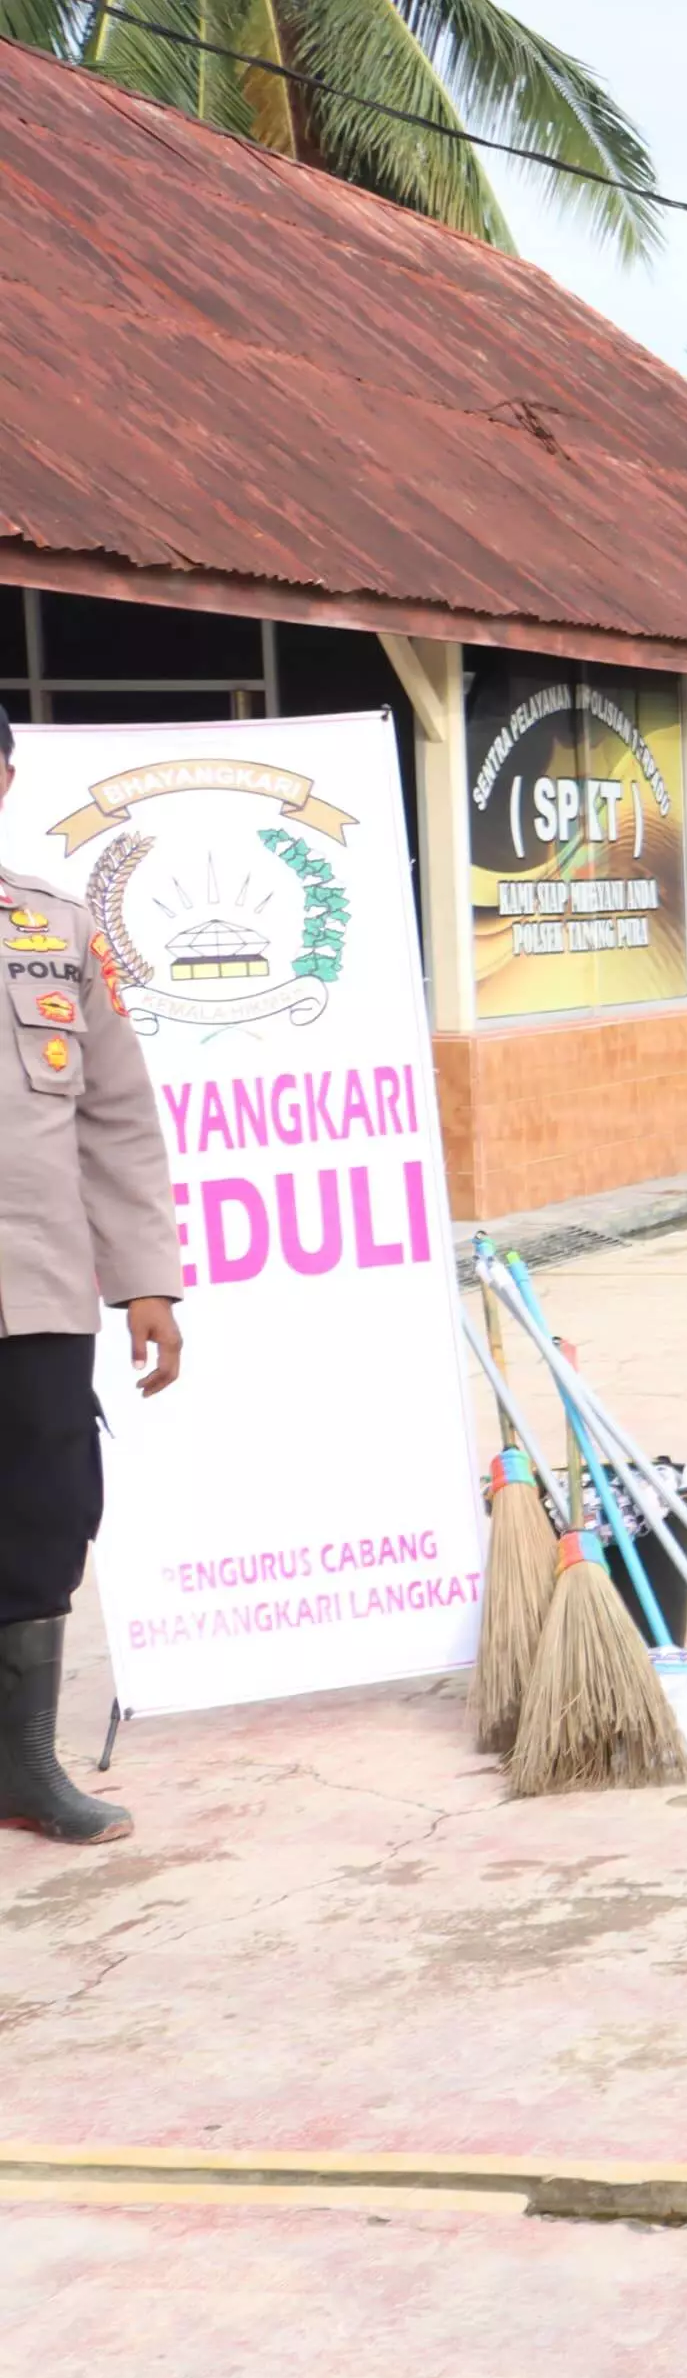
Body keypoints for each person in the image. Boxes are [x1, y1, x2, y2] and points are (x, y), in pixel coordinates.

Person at [0, 713, 182, 1846]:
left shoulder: (49, 928)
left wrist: (146, 1281)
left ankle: (23, 1765)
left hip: (37, 1283)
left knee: (46, 1512)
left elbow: (116, 1117)